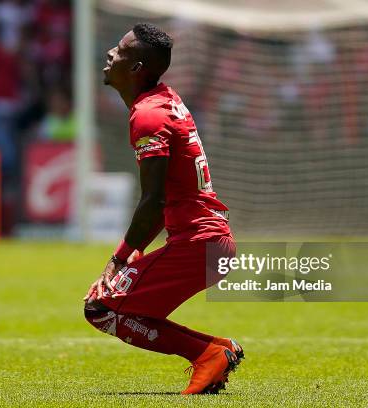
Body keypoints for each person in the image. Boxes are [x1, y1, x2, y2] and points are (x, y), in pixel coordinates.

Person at [83, 23, 243, 395]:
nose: (110, 53)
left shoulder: (149, 116)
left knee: (101, 309)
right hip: (207, 242)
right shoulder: (163, 101)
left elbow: (153, 202)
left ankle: (206, 354)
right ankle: (218, 351)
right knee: (115, 305)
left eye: (120, 50)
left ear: (137, 67)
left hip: (198, 245)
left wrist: (120, 260)